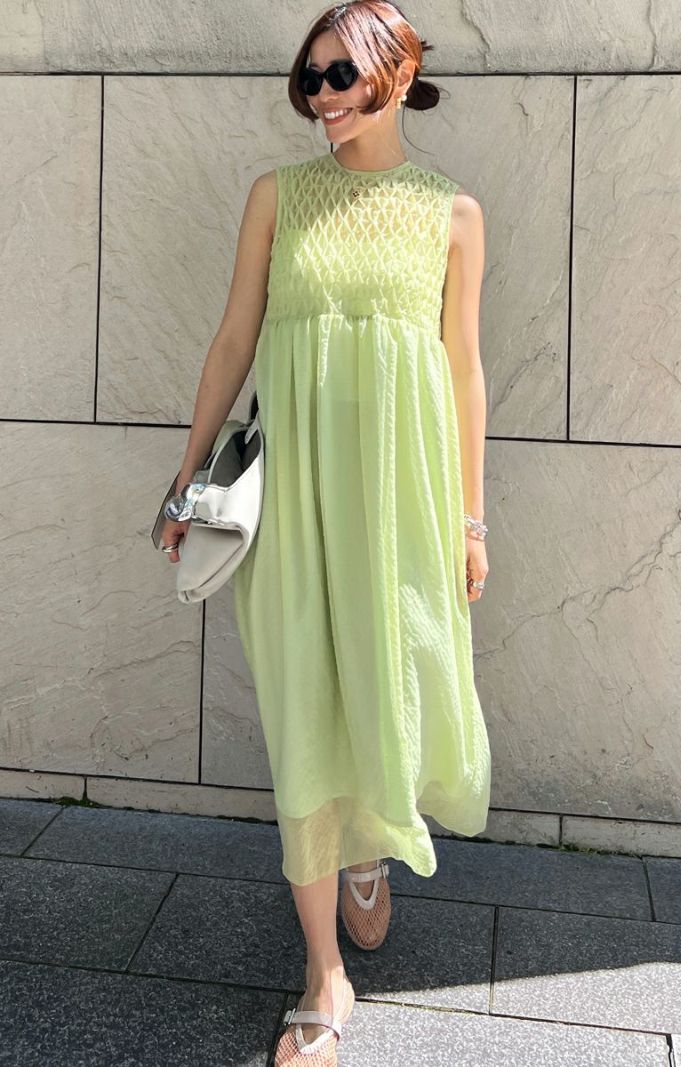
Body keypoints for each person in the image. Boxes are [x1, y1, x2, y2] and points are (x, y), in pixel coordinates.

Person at [156, 2, 491, 1062]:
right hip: (292, 500)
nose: (322, 98)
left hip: (398, 501)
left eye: (340, 74)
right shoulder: (278, 195)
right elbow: (233, 337)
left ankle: (368, 843)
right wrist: (186, 477)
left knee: (391, 684)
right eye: (309, 79)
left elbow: (463, 371)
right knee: (302, 708)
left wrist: (470, 519)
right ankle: (322, 973)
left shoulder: (451, 213)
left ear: (396, 72)